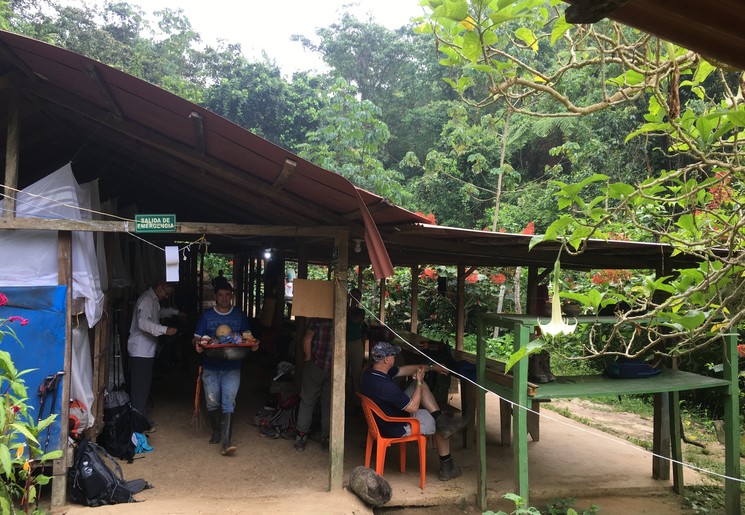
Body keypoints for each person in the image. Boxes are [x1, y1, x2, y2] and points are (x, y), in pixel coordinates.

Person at [360, 341, 464, 481]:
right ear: (386, 359)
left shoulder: (372, 372)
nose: (395, 357)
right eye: (393, 355)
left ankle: (440, 417)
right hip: (396, 425)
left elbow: (405, 370)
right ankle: (447, 466)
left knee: (423, 394)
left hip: (382, 418)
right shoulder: (386, 387)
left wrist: (432, 367)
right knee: (440, 424)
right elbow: (413, 407)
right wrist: (419, 381)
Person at [194, 284, 258, 456]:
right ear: (216, 295)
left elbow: (247, 337)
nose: (224, 298)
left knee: (229, 402)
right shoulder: (207, 316)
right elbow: (196, 339)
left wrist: (253, 345)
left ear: (232, 296)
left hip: (232, 366)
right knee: (213, 402)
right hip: (210, 367)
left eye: (227, 295)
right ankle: (216, 431)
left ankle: (227, 441)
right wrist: (198, 346)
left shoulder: (239, 315)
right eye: (221, 294)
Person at [127, 279, 180, 426]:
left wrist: (175, 312)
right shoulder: (146, 300)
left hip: (146, 350)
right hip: (140, 350)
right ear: (160, 286)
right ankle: (137, 423)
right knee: (140, 388)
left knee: (143, 387)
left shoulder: (153, 300)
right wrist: (164, 330)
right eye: (167, 292)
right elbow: (142, 323)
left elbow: (158, 313)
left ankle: (141, 420)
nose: (167, 296)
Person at [293, 317, 333, 452]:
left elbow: (306, 340)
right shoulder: (341, 320)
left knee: (307, 401)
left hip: (315, 365)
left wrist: (308, 357)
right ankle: (326, 438)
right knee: (328, 403)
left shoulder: (317, 320)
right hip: (333, 368)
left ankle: (301, 437)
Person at [346, 288, 367, 414]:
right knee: (340, 372)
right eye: (352, 296)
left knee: (356, 374)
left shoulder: (361, 312)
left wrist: (348, 310)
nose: (354, 299)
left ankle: (356, 403)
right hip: (343, 343)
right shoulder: (343, 308)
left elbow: (355, 319)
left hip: (355, 343)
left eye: (356, 297)